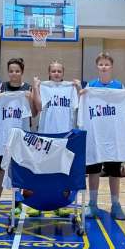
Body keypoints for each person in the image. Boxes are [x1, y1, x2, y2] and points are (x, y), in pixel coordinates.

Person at [80, 52, 125, 220]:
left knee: (114, 172)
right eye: (101, 64)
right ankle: (92, 204)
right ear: (97, 66)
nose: (104, 67)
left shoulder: (119, 86)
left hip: (114, 138)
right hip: (96, 137)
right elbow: (82, 108)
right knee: (93, 171)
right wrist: (82, 95)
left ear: (111, 66)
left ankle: (116, 205)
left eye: (106, 64)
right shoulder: (91, 86)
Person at [30, 60, 80, 216]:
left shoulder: (71, 88)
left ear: (63, 73)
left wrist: (79, 88)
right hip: (46, 134)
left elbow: (80, 106)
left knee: (62, 172)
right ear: (49, 73)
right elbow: (38, 107)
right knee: (42, 171)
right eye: (53, 71)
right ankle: (38, 204)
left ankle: (60, 204)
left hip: (65, 136)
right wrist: (36, 87)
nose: (56, 73)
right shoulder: (43, 87)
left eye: (59, 71)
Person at [0, 58, 35, 214]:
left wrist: (30, 98)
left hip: (20, 135)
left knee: (18, 169)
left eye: (17, 71)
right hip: (4, 135)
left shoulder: (27, 89)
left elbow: (33, 112)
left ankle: (17, 201)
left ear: (22, 72)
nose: (14, 74)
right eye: (11, 71)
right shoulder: (2, 88)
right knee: (0, 169)